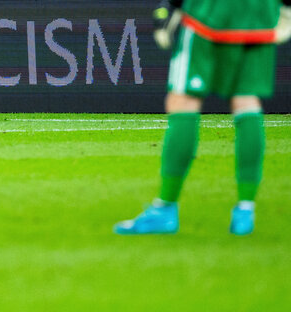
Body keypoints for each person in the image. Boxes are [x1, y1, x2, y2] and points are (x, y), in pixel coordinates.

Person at [114, 0, 291, 235]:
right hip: (258, 12)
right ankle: (245, 210)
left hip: (210, 12)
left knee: (183, 101)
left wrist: (171, 4)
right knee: (247, 101)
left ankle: (165, 208)